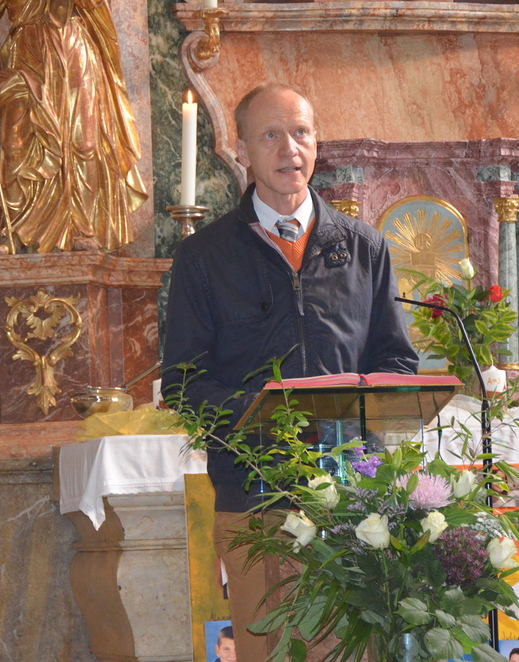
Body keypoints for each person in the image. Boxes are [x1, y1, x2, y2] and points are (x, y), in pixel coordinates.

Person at [162, 83, 418, 662]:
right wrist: (264, 414)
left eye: (301, 132)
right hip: (254, 497)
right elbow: (183, 382)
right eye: (271, 135)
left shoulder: (364, 248)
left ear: (317, 142)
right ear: (242, 152)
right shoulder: (203, 258)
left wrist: (355, 414)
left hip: (353, 500)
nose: (289, 149)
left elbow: (397, 362)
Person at [0, 0, 147, 253]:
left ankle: (82, 229)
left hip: (75, 48)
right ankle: (13, 233)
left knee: (84, 144)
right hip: (27, 55)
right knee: (14, 144)